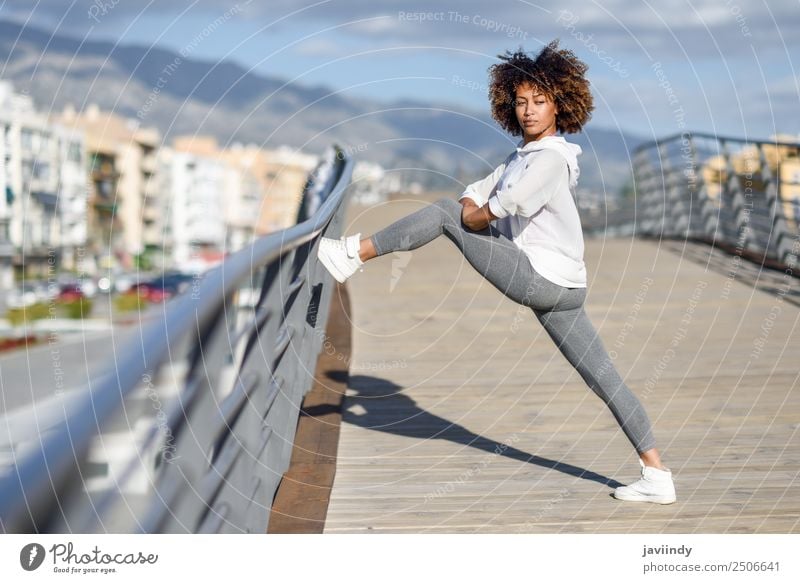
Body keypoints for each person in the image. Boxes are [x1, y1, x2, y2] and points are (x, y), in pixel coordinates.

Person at [317, 40, 676, 505]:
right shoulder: (519, 159)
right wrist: (478, 208)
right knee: (604, 377)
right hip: (563, 286)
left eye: (539, 101)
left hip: (542, 279)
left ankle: (351, 254)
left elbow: (503, 204)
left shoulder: (549, 159)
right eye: (521, 102)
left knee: (445, 212)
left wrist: (477, 212)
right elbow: (476, 192)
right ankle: (657, 474)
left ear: (560, 104)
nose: (528, 111)